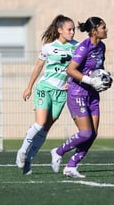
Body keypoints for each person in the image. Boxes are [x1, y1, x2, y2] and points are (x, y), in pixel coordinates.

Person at [16, 14, 78, 175]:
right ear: (60, 30)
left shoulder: (77, 47)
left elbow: (79, 68)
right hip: (45, 87)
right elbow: (38, 67)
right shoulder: (48, 47)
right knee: (40, 122)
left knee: (45, 129)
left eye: (74, 29)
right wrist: (29, 87)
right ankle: (22, 151)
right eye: (69, 29)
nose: (72, 32)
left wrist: (70, 82)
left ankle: (29, 159)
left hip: (61, 93)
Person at [50, 16, 111, 178]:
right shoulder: (84, 47)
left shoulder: (102, 47)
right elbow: (71, 70)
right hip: (77, 93)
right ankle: (58, 151)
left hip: (92, 95)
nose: (106, 30)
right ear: (94, 31)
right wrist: (90, 80)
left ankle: (71, 166)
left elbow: (98, 68)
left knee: (93, 134)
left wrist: (103, 78)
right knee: (85, 133)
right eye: (103, 27)